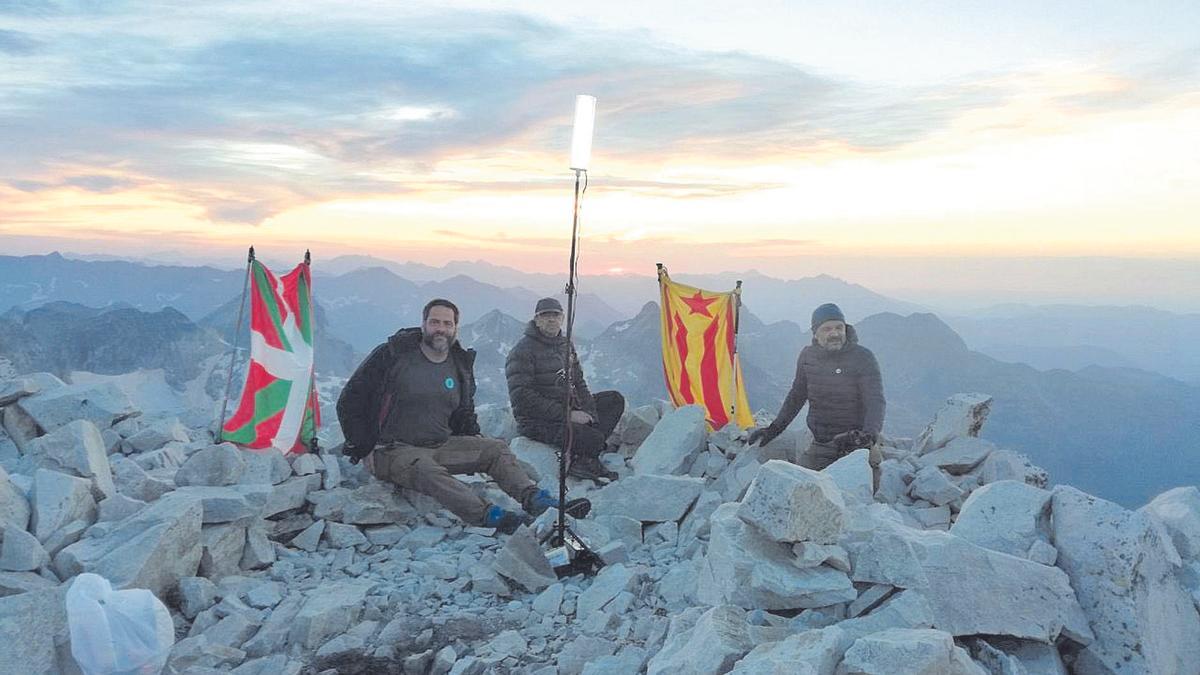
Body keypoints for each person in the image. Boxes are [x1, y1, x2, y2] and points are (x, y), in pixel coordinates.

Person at [336, 298, 585, 534]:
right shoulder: (393, 355)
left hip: (439, 444)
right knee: (426, 470)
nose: (440, 329)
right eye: (435, 322)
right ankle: (492, 517)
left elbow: (463, 410)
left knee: (496, 449)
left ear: (456, 327)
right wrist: (363, 446)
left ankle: (537, 500)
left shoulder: (458, 362)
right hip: (392, 450)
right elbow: (350, 399)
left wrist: (474, 437)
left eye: (447, 323)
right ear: (424, 324)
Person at [748, 302, 886, 471]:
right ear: (815, 333)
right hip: (822, 444)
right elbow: (796, 397)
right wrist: (772, 430)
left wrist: (869, 436)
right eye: (827, 329)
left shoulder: (863, 357)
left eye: (838, 328)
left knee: (857, 494)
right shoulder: (808, 357)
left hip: (857, 445)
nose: (834, 333)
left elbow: (875, 400)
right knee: (799, 487)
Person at [505, 297, 625, 482]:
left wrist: (589, 414)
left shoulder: (565, 344)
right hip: (537, 421)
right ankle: (585, 459)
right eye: (545, 315)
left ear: (562, 318)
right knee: (594, 439)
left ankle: (585, 452)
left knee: (614, 400)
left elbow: (579, 382)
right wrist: (568, 415)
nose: (551, 319)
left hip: (568, 408)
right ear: (536, 320)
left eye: (556, 315)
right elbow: (522, 398)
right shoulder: (522, 351)